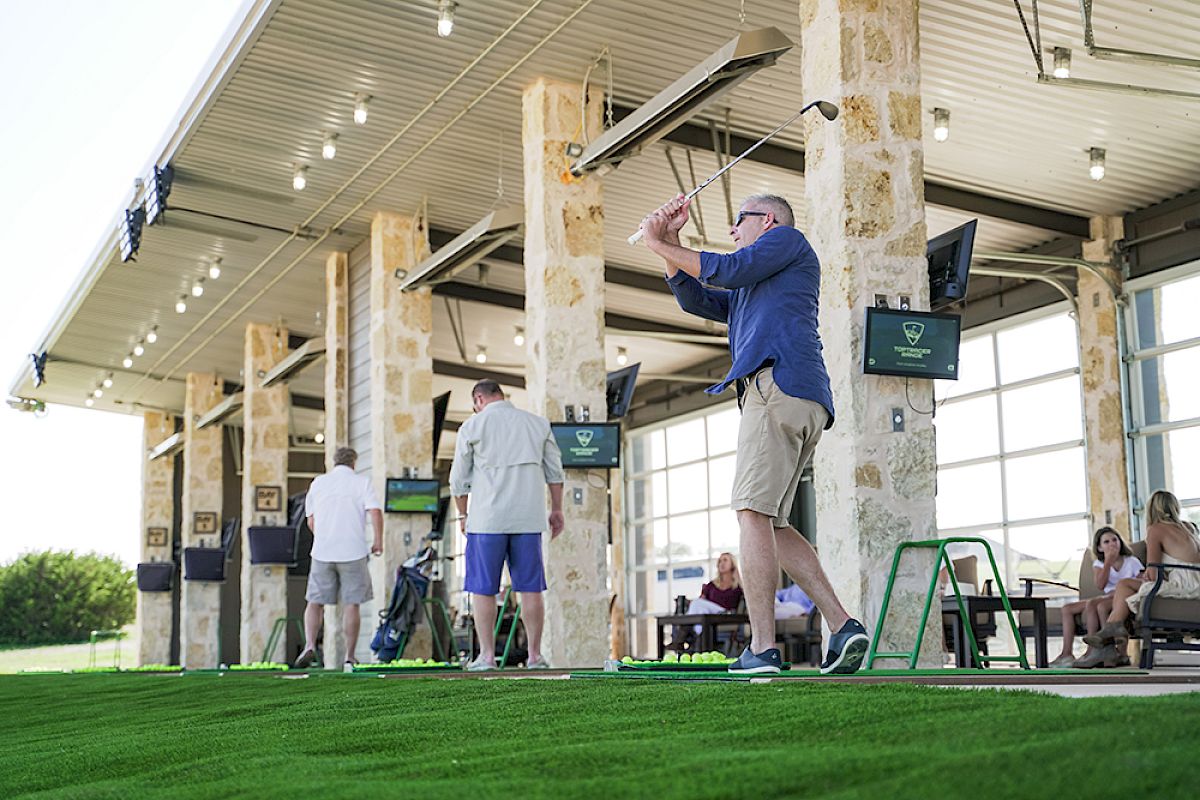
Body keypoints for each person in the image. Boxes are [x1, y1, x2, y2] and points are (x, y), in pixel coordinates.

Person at [639, 193, 869, 676]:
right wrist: (670, 247)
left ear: (766, 221)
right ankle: (843, 625)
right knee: (773, 523)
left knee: (750, 511)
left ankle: (762, 648)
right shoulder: (760, 281)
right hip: (799, 394)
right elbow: (699, 297)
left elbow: (724, 268)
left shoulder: (785, 239)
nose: (732, 230)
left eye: (738, 222)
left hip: (776, 387)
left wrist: (660, 240)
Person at [450, 380, 565, 671]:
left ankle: (487, 657)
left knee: (483, 589)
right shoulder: (537, 424)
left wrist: (463, 515)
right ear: (501, 395)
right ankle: (535, 656)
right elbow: (555, 472)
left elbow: (458, 480)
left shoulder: (472, 427)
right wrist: (557, 509)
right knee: (530, 588)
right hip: (528, 518)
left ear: (479, 399)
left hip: (486, 520)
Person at [1083, 490, 1200, 666]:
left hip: (1184, 584)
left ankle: (1108, 636)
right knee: (1126, 587)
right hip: (1195, 580)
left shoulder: (1155, 529)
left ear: (1151, 509)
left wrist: (1148, 574)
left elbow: (1153, 574)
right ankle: (1109, 636)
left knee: (1124, 585)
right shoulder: (1189, 527)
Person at [293, 447, 383, 669]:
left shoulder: (318, 483)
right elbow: (375, 512)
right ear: (354, 462)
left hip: (323, 551)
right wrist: (377, 540)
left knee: (315, 601)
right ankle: (349, 657)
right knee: (351, 604)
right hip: (353, 551)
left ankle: (310, 645)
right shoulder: (361, 482)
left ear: (334, 462)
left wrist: (325, 536)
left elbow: (311, 521)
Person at [1048, 527, 1142, 668]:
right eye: (1106, 542)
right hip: (1106, 596)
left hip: (1122, 598)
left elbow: (1141, 583)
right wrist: (1108, 562)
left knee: (1095, 604)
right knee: (1067, 608)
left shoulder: (1131, 561)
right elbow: (1100, 584)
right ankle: (1066, 653)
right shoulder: (1099, 563)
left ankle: (1093, 651)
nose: (1112, 544)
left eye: (1115, 540)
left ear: (1120, 542)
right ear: (1099, 547)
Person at [667, 552, 744, 651]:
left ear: (732, 564)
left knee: (697, 604)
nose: (721, 563)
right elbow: (702, 600)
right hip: (707, 614)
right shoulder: (711, 585)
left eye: (725, 560)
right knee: (698, 606)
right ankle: (698, 642)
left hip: (725, 614)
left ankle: (680, 639)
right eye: (720, 561)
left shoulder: (737, 586)